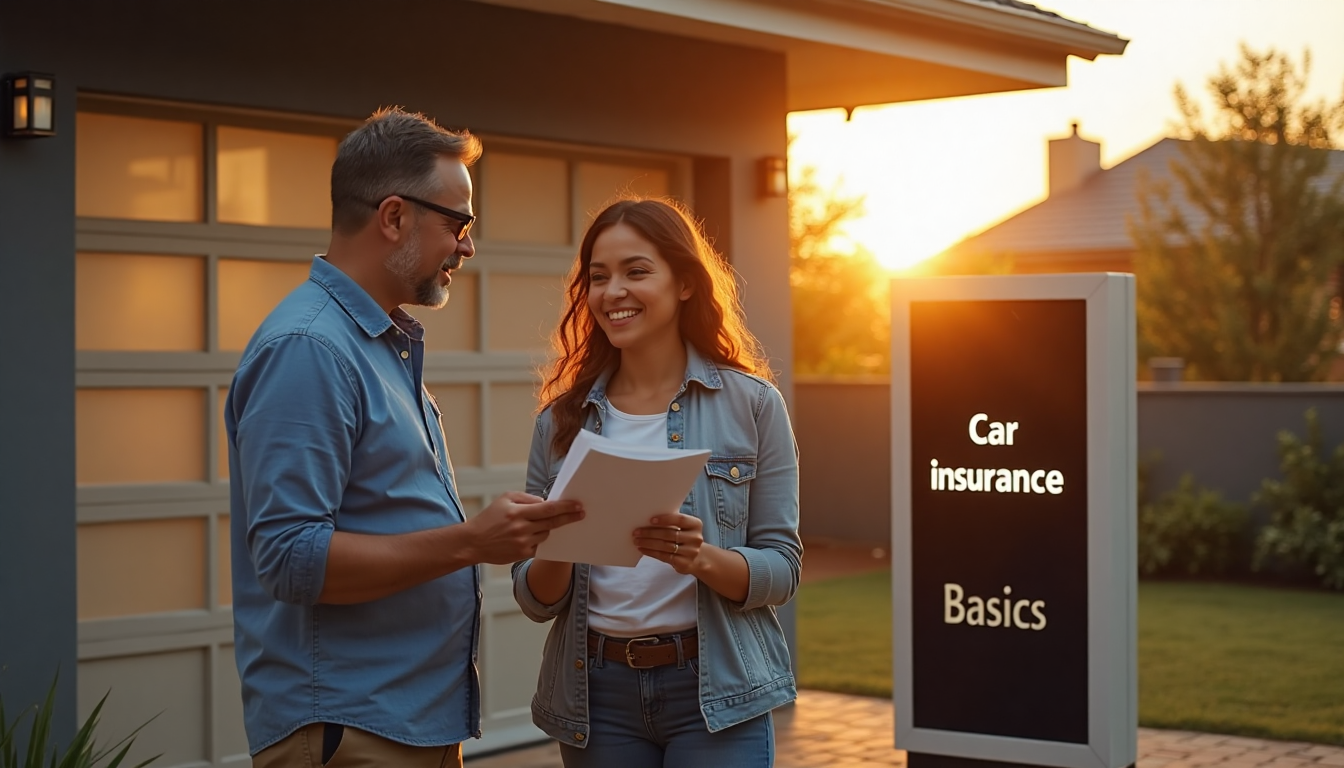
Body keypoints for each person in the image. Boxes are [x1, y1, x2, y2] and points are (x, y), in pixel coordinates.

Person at [226, 107, 583, 768]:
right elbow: (289, 558)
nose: (468, 246)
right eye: (459, 223)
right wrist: (473, 541)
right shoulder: (311, 348)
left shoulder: (376, 345)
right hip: (350, 731)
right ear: (393, 217)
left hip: (399, 726)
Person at [512, 198, 802, 767]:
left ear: (685, 283)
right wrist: (559, 546)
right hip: (599, 697)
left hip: (716, 692)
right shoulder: (560, 422)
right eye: (598, 277)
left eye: (636, 271)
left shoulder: (753, 406)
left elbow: (783, 569)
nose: (612, 291)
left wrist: (701, 558)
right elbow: (533, 596)